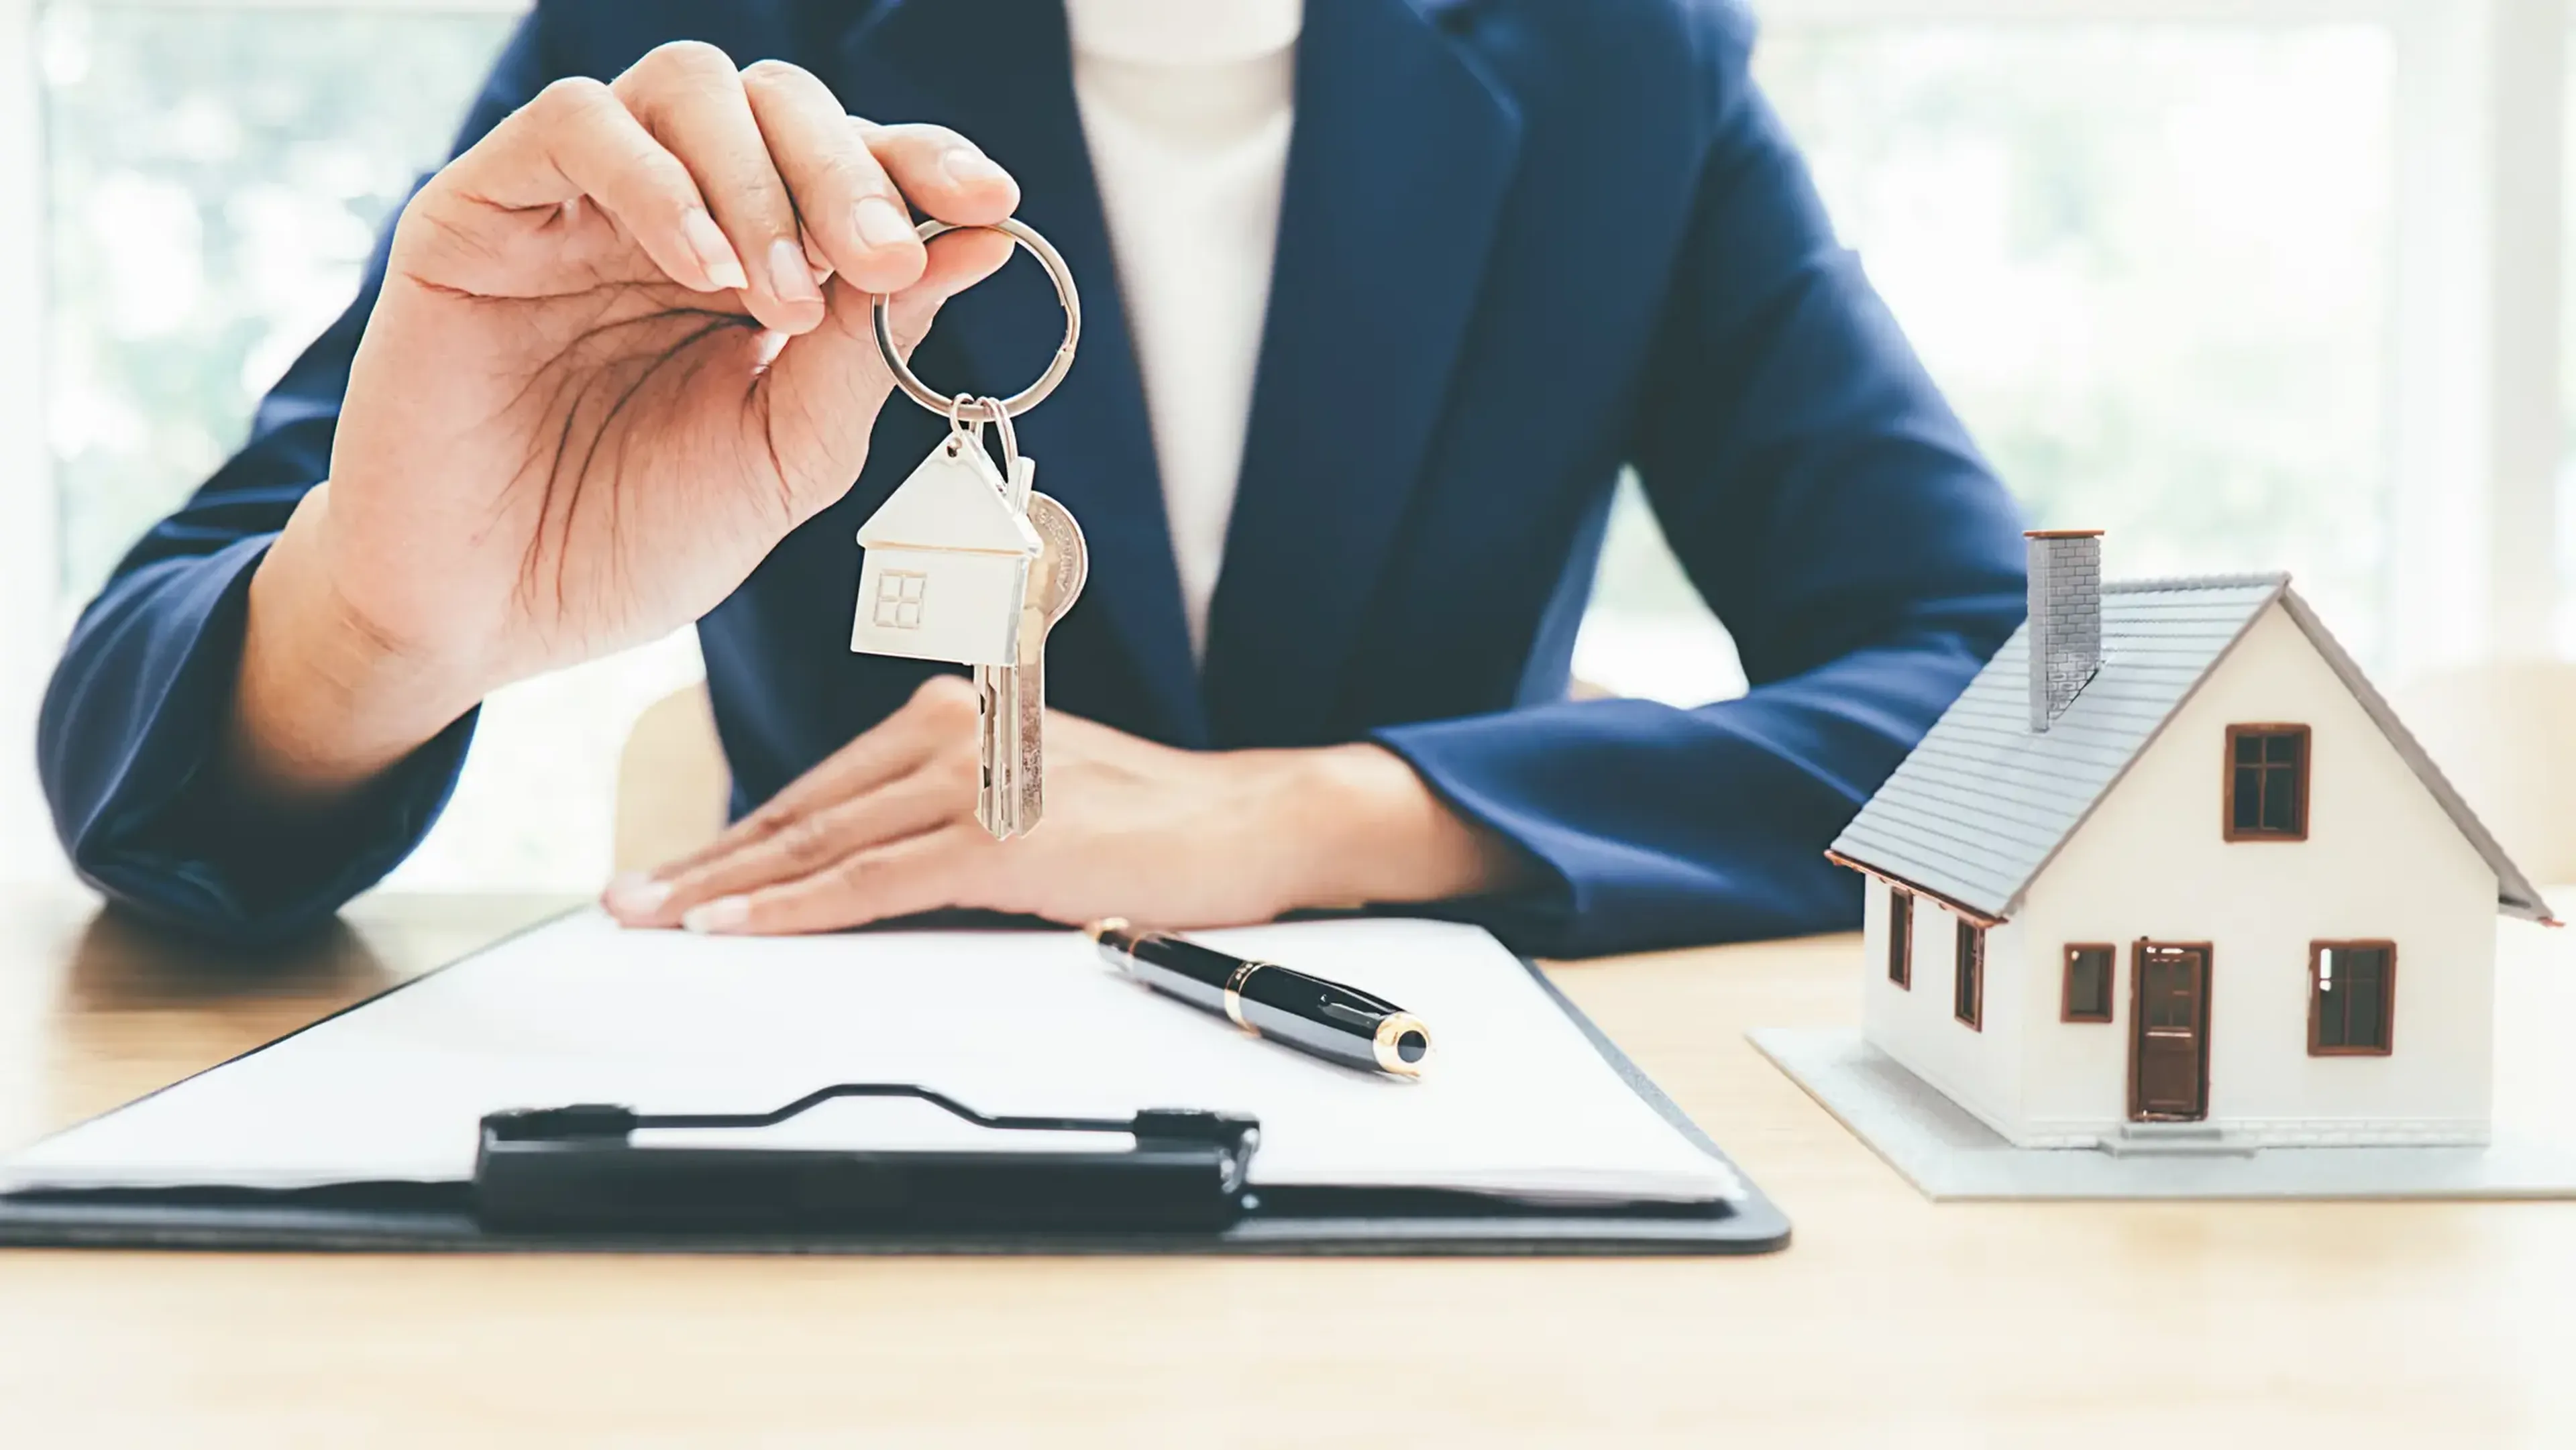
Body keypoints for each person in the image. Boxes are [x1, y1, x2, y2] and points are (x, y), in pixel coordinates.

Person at [37, 0, 2025, 959]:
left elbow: (2012, 702)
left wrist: (1329, 817)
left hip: (1438, 1147)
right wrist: (391, 623)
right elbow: (145, 765)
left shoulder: (1623, 62)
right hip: (844, 1150)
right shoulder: (703, 39)